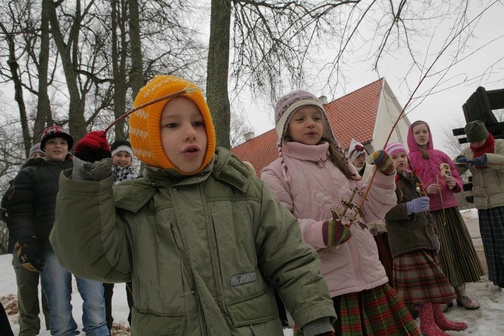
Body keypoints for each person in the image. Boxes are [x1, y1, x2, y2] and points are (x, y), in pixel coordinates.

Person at [49, 75, 337, 336]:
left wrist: (315, 319)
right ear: (147, 137)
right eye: (173, 124)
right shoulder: (134, 204)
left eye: (197, 123)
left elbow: (289, 256)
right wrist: (86, 183)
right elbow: (92, 259)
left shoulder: (243, 189)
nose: (190, 132)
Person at [261, 90, 419, 335]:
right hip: (326, 290)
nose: (311, 123)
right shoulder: (276, 173)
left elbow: (371, 212)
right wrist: (320, 233)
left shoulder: (341, 163)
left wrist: (384, 178)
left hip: (370, 279)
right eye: (300, 119)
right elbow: (280, 229)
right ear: (285, 128)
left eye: (317, 117)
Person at [7, 126, 109, 336]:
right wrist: (26, 241)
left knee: (95, 302)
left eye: (62, 142)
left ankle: (98, 332)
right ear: (44, 147)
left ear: (68, 148)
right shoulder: (30, 173)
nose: (58, 146)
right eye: (52, 142)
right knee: (59, 307)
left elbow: (101, 193)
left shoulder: (80, 170)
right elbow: (19, 210)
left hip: (84, 245)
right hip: (50, 246)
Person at [384, 141, 468, 336]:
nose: (400, 160)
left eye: (402, 156)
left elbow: (425, 211)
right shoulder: (390, 183)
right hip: (408, 242)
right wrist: (409, 207)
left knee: (432, 285)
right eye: (394, 158)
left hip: (424, 239)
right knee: (422, 289)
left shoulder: (413, 178)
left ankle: (439, 319)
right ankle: (427, 325)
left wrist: (434, 235)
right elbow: (387, 212)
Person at [407, 120, 484, 310]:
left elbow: (458, 177)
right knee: (439, 255)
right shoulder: (409, 160)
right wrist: (424, 189)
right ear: (412, 136)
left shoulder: (440, 155)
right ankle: (444, 296)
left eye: (425, 131)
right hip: (428, 215)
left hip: (449, 210)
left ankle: (462, 293)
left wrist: (453, 183)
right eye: (417, 132)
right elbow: (408, 187)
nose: (422, 135)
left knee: (457, 250)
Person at [2, 143, 51, 336]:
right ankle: (28, 329)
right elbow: (5, 210)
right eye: (35, 155)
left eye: (42, 154)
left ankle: (54, 325)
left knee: (52, 289)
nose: (38, 158)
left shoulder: (53, 181)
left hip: (48, 243)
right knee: (26, 288)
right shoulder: (17, 181)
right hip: (21, 244)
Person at [455, 120, 504, 288]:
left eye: (478, 140)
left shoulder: (499, 145)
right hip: (484, 206)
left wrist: (487, 159)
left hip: (501, 203)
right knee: (491, 245)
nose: (475, 144)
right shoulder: (468, 151)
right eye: (472, 141)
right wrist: (459, 163)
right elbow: (454, 170)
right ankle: (499, 279)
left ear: (485, 136)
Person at [347, 138, 394, 287]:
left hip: (380, 221)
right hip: (366, 223)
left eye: (362, 156)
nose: (361, 159)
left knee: (389, 253)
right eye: (357, 157)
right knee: (378, 256)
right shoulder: (351, 175)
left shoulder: (373, 170)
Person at [103, 139, 139, 331]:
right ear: (111, 157)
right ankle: (105, 322)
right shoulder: (103, 178)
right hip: (107, 234)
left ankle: (136, 321)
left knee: (132, 282)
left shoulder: (136, 178)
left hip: (129, 235)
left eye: (127, 156)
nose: (123, 159)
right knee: (105, 283)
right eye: (119, 155)